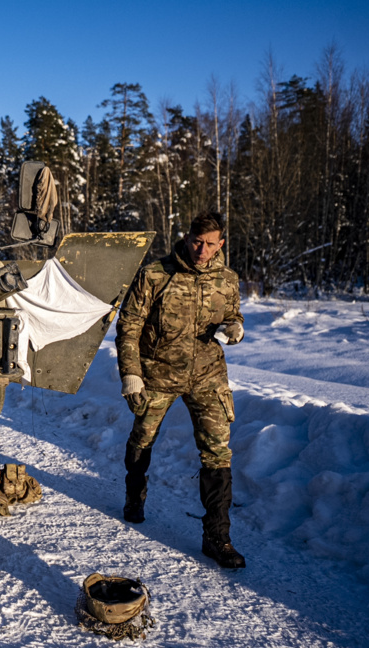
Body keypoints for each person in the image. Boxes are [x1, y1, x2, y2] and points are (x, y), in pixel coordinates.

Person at [115, 212, 246, 569]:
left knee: (218, 451)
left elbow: (234, 315)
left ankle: (217, 537)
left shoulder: (228, 278)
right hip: (158, 374)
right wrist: (131, 373)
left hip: (208, 375)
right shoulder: (155, 274)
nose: (202, 250)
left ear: (221, 244)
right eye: (196, 241)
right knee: (142, 437)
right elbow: (129, 326)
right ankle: (135, 494)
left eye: (210, 243)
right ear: (186, 238)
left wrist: (235, 328)